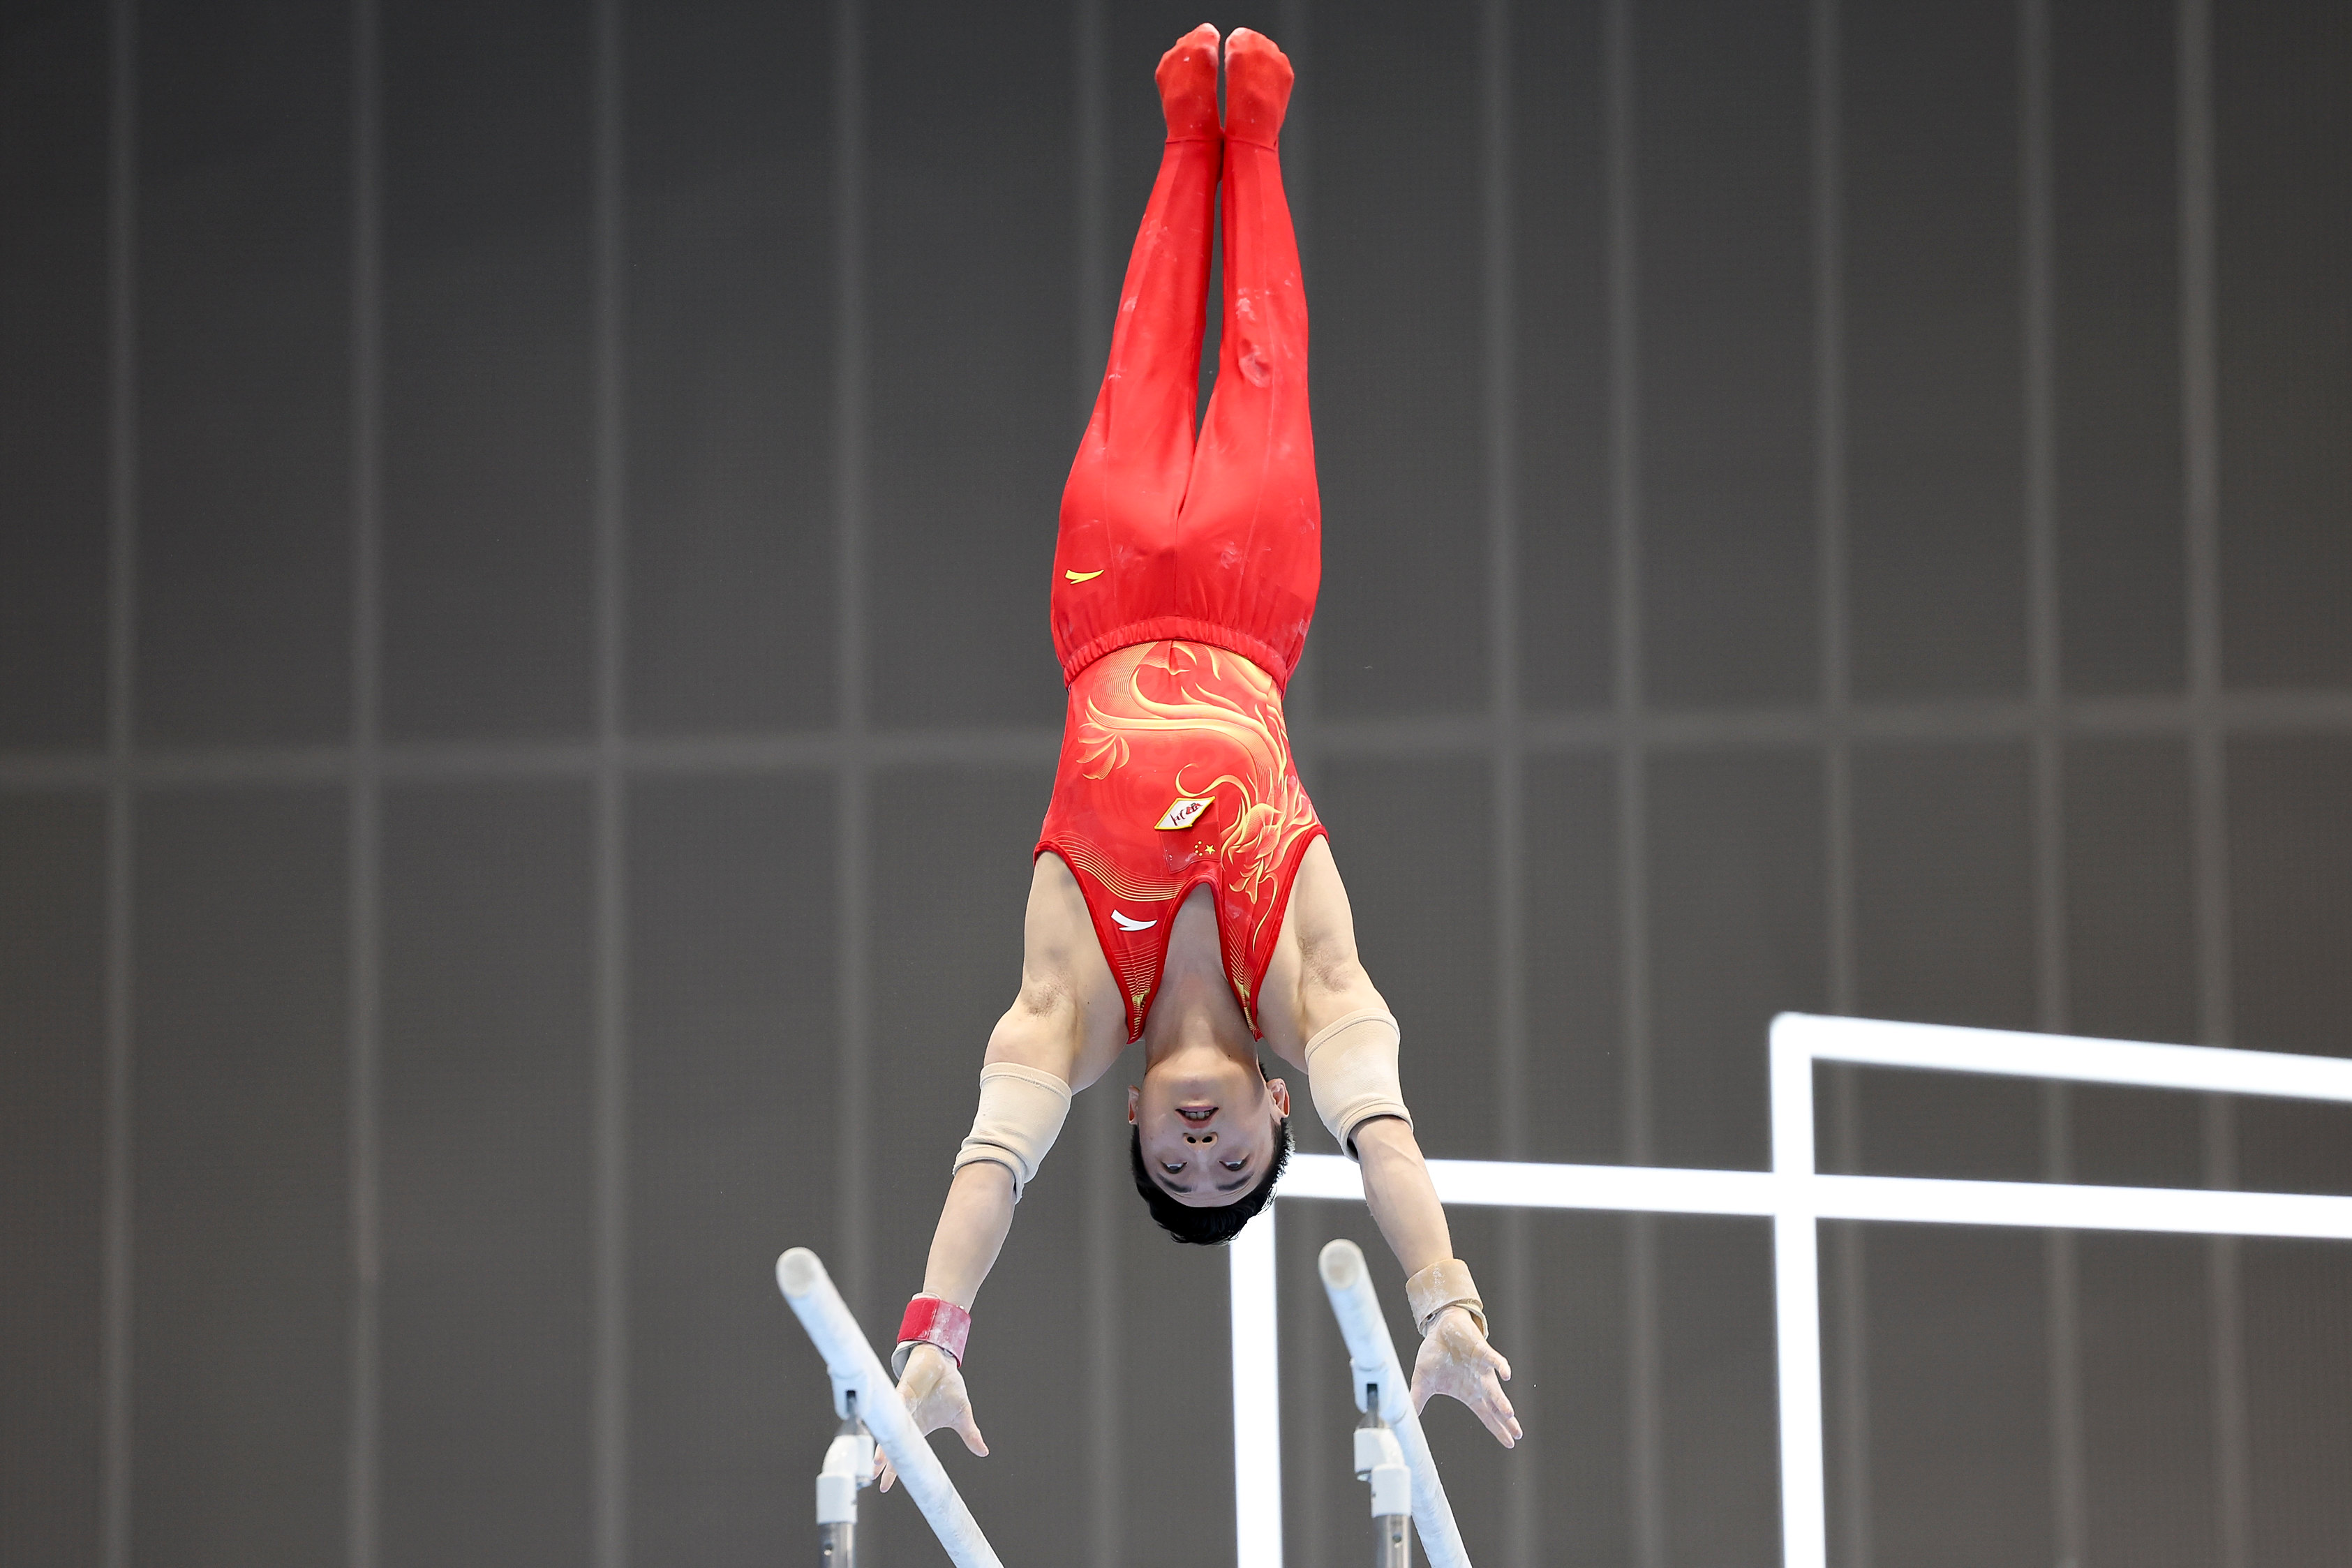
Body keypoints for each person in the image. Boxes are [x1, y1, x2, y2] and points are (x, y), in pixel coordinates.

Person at [879, 24, 1520, 1487]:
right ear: (1270, 1105)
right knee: (1256, 356)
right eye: (1231, 1160)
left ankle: (1186, 132)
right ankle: (1258, 128)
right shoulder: (1306, 986)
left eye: (1176, 1165)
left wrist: (933, 1333)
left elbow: (991, 1167)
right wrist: (1443, 1299)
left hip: (1102, 602)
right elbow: (1392, 1140)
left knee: (1145, 344)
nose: (1201, 1149)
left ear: (1134, 1118)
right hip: (1246, 601)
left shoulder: (1071, 1008)